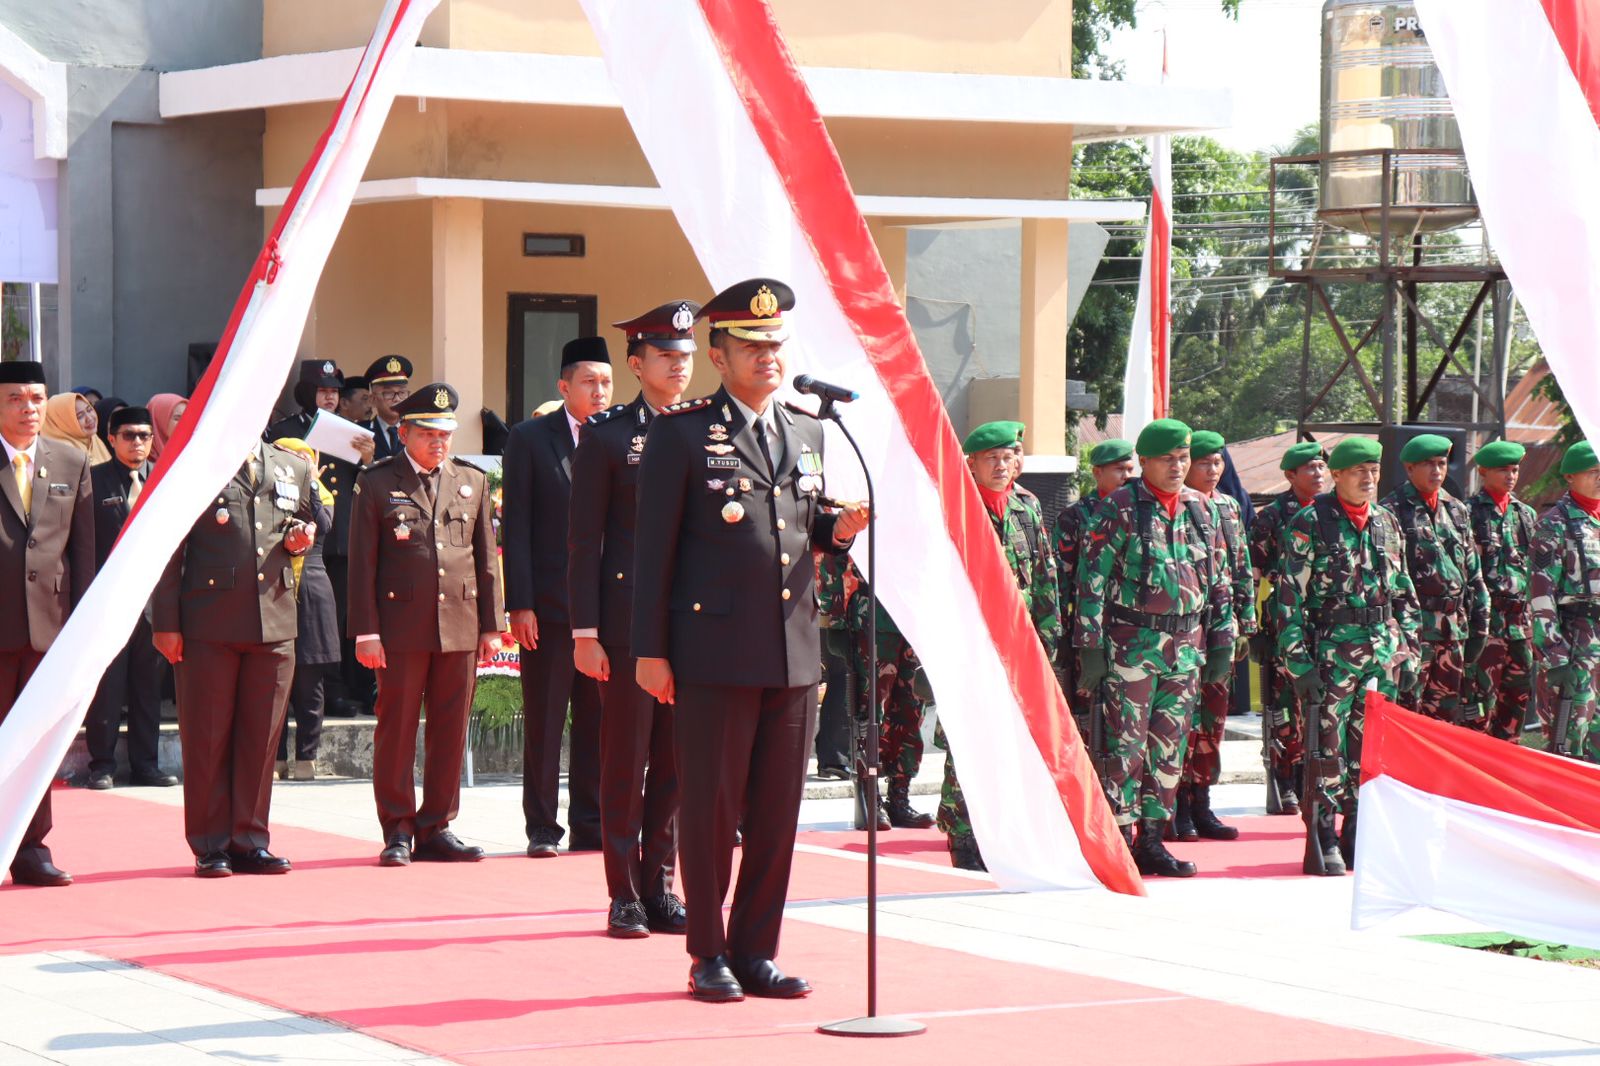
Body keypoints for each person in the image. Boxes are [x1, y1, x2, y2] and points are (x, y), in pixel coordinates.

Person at [632, 278, 866, 1002]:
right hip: (712, 652)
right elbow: (654, 553)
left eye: (775, 345)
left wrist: (840, 530)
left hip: (792, 652)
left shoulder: (808, 430)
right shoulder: (679, 433)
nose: (769, 357)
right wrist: (650, 650)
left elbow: (802, 529)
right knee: (710, 811)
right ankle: (708, 953)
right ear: (718, 353)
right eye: (752, 346)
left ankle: (757, 949)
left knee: (775, 814)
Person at [568, 299, 699, 937]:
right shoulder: (610, 434)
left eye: (686, 357)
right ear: (637, 361)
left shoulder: (708, 429)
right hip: (623, 623)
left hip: (689, 619)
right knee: (626, 757)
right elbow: (583, 539)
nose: (678, 368)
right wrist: (585, 633)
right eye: (666, 357)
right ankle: (623, 891)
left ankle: (662, 887)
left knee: (676, 761)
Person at [349, 383, 503, 865]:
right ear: (404, 432)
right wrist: (367, 632)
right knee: (396, 728)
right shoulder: (375, 483)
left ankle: (437, 825)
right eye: (429, 434)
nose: (440, 443)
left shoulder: (471, 480)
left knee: (450, 726)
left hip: (459, 623)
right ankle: (397, 827)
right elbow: (362, 565)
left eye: (446, 434)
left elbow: (486, 559)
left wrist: (490, 626)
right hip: (400, 628)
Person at [1074, 419, 1232, 878]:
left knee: (1168, 751)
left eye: (1183, 458)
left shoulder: (1202, 509)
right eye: (1168, 459)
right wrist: (1090, 649)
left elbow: (1217, 581)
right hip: (1131, 648)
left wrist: (1222, 642)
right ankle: (1118, 842)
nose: (1178, 466)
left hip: (1185, 649)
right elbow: (1092, 582)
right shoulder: (1120, 508)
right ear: (1144, 462)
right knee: (1125, 750)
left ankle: (1153, 841)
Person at [153, 437, 316, 877]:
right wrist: (165, 622)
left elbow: (297, 529)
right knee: (208, 736)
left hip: (275, 618)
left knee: (261, 737)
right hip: (209, 622)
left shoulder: (291, 466)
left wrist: (299, 540)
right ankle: (210, 844)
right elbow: (169, 548)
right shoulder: (196, 462)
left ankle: (249, 840)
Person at [1277, 437, 1419, 875]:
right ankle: (1321, 833)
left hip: (1380, 653)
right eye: (1358, 470)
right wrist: (1298, 664)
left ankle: (1357, 832)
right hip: (1330, 656)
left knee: (1372, 750)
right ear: (1336, 475)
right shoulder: (1310, 523)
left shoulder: (1387, 523)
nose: (1368, 478)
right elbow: (1287, 602)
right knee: (1327, 750)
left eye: (1374, 470)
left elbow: (1403, 593)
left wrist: (1409, 651)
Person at [502, 338, 611, 857]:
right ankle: (543, 827)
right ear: (564, 387)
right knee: (546, 720)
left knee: (598, 722)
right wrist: (519, 602)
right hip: (547, 607)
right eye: (589, 382)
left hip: (607, 609)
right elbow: (517, 525)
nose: (599, 392)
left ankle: (590, 822)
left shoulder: (623, 436)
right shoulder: (529, 439)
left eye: (607, 382)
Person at [939, 421, 1061, 872]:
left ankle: (1001, 828)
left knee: (1011, 740)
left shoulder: (1026, 506)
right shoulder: (954, 505)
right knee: (967, 738)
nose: (1002, 464)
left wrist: (1048, 640)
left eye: (1009, 456)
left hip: (1017, 645)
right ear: (970, 462)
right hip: (970, 644)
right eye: (992, 457)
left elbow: (1044, 575)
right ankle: (961, 831)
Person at [1, 362, 94, 888]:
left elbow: (82, 554)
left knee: (36, 745)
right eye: (16, 399)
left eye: (37, 398)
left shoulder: (70, 459)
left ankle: (31, 848)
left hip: (50, 631)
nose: (29, 409)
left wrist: (80, 630)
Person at [84, 406, 176, 790]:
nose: (137, 443)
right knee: (107, 686)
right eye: (128, 436)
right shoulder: (91, 482)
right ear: (111, 438)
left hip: (154, 602)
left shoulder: (165, 479)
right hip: (108, 602)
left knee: (147, 689)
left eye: (143, 436)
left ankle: (146, 765)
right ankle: (101, 764)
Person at [1173, 430, 1256, 842]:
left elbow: (1240, 569)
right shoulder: (1175, 506)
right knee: (1179, 723)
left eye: (1218, 462)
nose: (1213, 470)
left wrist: (1246, 624)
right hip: (1182, 634)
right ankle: (1174, 807)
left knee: (1212, 721)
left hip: (1221, 629)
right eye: (1204, 462)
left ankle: (1202, 802)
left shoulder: (1227, 506)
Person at [1380, 434, 1489, 726]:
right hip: (1415, 633)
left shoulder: (1456, 509)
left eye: (1441, 464)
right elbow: (1387, 583)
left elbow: (1473, 573)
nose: (1437, 471)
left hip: (1453, 630)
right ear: (1409, 468)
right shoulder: (1390, 511)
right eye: (1428, 464)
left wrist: (1480, 625)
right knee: (1406, 714)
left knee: (1445, 718)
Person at [1055, 439, 1135, 756]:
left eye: (1131, 469)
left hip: (1129, 633)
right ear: (1097, 472)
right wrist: (1062, 634)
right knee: (1087, 715)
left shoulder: (1139, 512)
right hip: (1090, 634)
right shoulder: (1075, 517)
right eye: (1119, 469)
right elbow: (1062, 578)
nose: (1127, 476)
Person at [270, 437, 340, 780]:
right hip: (275, 586)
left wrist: (310, 480)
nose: (297, 461)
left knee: (309, 679)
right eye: (288, 457)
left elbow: (323, 525)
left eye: (304, 457)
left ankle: (306, 759)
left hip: (311, 587)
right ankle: (276, 758)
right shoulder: (269, 489)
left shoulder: (322, 492)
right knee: (275, 678)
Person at [1529, 440, 1600, 762]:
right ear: (1570, 477)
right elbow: (1541, 595)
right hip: (1574, 644)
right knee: (1569, 740)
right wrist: (1554, 657)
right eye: (1593, 471)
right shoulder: (1554, 524)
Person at [1465, 441, 1538, 741]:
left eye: (1515, 469)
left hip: (1521, 627)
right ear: (1482, 472)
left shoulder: (1525, 514)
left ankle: (1505, 775)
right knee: (1479, 707)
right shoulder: (1468, 512)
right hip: (1487, 627)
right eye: (1502, 470)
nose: (1510, 476)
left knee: (1515, 707)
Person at [813, 552, 855, 783]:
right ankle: (834, 758)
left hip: (830, 605)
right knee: (843, 677)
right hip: (836, 608)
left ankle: (833, 756)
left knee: (841, 677)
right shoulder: (837, 520)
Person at [362, 355, 413, 461]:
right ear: (372, 399)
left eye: (402, 392)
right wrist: (367, 460)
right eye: (388, 393)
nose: (397, 399)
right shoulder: (361, 432)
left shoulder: (416, 431)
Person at [41, 393, 112, 466]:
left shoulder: (93, 439)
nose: (89, 418)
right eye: (80, 416)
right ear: (63, 423)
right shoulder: (60, 453)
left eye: (89, 410)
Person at [147, 393, 188, 465]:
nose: (184, 423)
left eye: (187, 418)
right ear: (159, 421)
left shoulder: (193, 455)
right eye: (177, 418)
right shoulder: (138, 465)